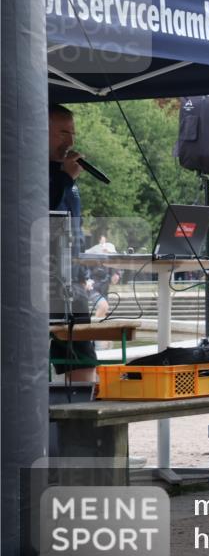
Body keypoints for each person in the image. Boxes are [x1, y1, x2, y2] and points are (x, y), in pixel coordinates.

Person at [48, 104, 97, 381]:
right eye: (62, 133)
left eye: (73, 134)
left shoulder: (69, 174)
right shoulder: (28, 169)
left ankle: (82, 413)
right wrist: (65, 177)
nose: (70, 141)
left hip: (71, 281)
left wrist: (80, 274)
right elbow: (35, 212)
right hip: (38, 280)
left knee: (82, 357)